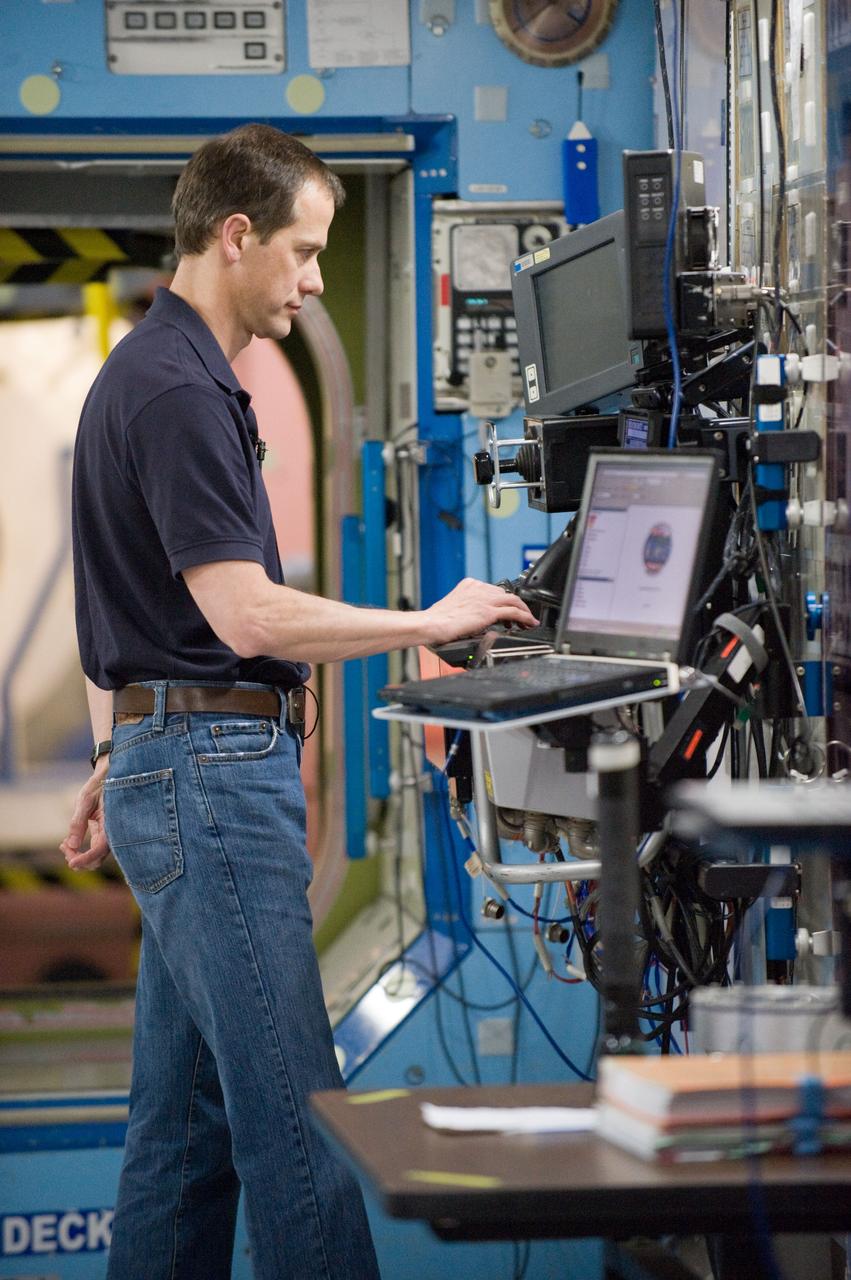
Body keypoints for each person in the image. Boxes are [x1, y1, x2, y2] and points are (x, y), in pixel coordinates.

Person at [60, 123, 535, 1280]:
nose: (315, 279)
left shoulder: (150, 372)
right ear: (237, 236)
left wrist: (113, 757)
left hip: (171, 765)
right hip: (212, 781)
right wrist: (426, 620)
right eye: (305, 251)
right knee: (294, 1123)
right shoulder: (177, 391)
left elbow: (113, 600)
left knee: (184, 1142)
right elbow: (246, 618)